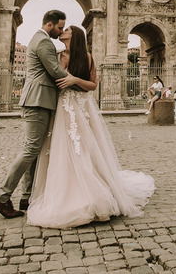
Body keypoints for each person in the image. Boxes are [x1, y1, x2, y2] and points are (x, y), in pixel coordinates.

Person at [25, 25, 155, 228]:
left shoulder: (86, 57)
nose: (62, 31)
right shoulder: (56, 54)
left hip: (80, 108)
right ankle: (63, 191)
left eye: (66, 29)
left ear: (75, 35)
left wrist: (74, 79)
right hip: (61, 109)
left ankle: (91, 190)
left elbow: (93, 85)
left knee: (84, 149)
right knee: (61, 150)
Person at [0, 10, 79, 219]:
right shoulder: (44, 42)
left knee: (35, 150)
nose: (61, 31)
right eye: (59, 27)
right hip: (38, 100)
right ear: (49, 24)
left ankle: (27, 196)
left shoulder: (39, 39)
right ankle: (2, 196)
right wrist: (79, 82)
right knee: (31, 149)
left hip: (39, 100)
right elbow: (55, 71)